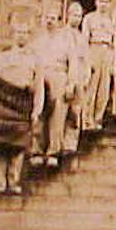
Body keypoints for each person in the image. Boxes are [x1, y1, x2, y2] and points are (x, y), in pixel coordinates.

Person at [0, 24, 44, 195]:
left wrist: (36, 110)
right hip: (2, 106)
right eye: (19, 32)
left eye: (26, 32)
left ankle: (13, 180)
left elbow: (39, 87)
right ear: (13, 34)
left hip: (22, 107)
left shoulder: (34, 60)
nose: (22, 36)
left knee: (18, 146)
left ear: (29, 36)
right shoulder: (2, 57)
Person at [31, 10, 77, 167]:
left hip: (59, 76)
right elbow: (31, 61)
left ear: (59, 21)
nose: (50, 21)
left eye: (53, 18)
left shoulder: (65, 41)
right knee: (39, 113)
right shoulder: (38, 41)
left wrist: (71, 83)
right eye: (47, 18)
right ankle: (37, 150)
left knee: (58, 115)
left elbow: (73, 63)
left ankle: (53, 152)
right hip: (42, 77)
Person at [82, 0, 115, 131]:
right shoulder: (89, 18)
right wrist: (86, 60)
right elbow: (84, 40)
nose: (103, 4)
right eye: (101, 0)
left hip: (106, 52)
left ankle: (97, 118)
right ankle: (86, 119)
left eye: (106, 1)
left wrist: (113, 62)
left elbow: (114, 43)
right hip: (93, 49)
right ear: (96, 2)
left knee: (104, 89)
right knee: (91, 87)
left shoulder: (110, 21)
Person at [61, 2, 87, 154]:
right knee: (63, 109)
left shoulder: (81, 37)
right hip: (66, 76)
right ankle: (61, 142)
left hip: (79, 77)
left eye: (79, 16)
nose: (76, 19)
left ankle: (71, 142)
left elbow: (85, 58)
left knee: (76, 112)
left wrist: (85, 77)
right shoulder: (62, 35)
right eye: (74, 15)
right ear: (67, 15)